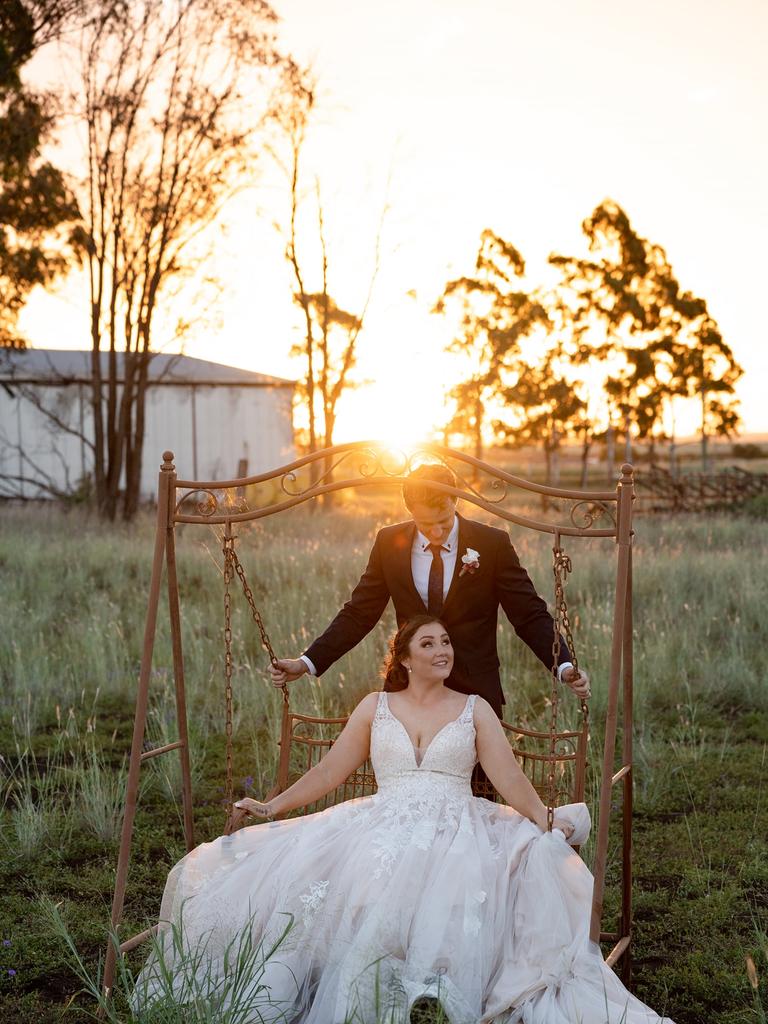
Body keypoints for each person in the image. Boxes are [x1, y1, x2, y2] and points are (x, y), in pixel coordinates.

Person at [134, 617, 674, 1024]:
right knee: (335, 883)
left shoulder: (474, 707)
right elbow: (327, 771)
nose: (442, 651)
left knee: (462, 879)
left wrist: (544, 819)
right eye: (428, 644)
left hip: (456, 826)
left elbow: (508, 778)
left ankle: (426, 992)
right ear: (405, 657)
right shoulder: (375, 706)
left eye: (445, 642)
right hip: (380, 821)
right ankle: (373, 988)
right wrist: (273, 807)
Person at [270, 463, 590, 717]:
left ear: (456, 501)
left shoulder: (492, 544)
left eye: (444, 519)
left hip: (474, 696)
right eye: (425, 524)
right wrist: (307, 662)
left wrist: (563, 665)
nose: (436, 532)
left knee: (478, 796)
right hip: (408, 691)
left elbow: (528, 614)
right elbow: (359, 613)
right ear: (409, 510)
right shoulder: (389, 543)